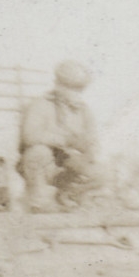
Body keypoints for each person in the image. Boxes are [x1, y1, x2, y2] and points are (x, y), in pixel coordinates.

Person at [19, 60, 100, 213]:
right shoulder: (39, 105)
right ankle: (38, 202)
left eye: (78, 88)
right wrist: (63, 139)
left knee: (101, 173)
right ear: (58, 84)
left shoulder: (83, 111)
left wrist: (88, 152)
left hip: (68, 162)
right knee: (38, 152)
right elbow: (29, 136)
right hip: (43, 163)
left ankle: (68, 197)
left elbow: (92, 140)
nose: (74, 92)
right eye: (69, 86)